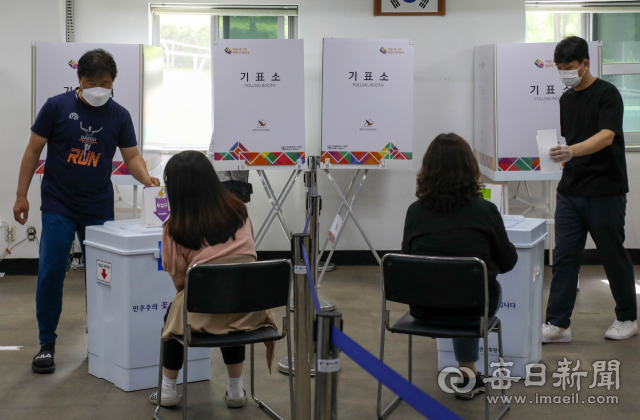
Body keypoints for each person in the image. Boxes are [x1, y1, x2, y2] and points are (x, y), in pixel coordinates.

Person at [12, 49, 160, 374]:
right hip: (57, 205)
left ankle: (100, 339)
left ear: (113, 83)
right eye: (91, 81)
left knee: (102, 277)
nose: (98, 88)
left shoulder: (119, 115)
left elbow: (132, 157)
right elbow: (33, 150)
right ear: (79, 80)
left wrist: (146, 177)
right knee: (51, 272)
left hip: (97, 207)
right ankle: (46, 343)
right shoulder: (57, 106)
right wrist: (21, 195)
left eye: (104, 82)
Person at [149, 151, 277, 408]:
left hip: (200, 312)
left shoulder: (174, 226)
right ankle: (237, 390)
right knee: (229, 310)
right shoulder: (240, 211)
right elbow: (249, 256)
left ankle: (168, 391)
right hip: (249, 309)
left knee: (173, 319)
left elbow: (179, 282)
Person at [401, 133, 518, 400]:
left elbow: (407, 261)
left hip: (423, 309)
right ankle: (468, 375)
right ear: (470, 169)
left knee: (457, 290)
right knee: (474, 293)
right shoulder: (485, 211)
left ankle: (468, 375)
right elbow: (508, 262)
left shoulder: (415, 211)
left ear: (427, 170)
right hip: (472, 309)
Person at [542, 37, 638, 343]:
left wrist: (571, 151)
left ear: (585, 64)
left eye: (569, 67)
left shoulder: (608, 94)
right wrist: (562, 154)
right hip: (570, 189)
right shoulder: (565, 99)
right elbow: (571, 136)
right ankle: (558, 324)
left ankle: (627, 317)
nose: (564, 73)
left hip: (605, 190)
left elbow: (606, 136)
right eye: (559, 68)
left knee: (612, 255)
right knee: (565, 256)